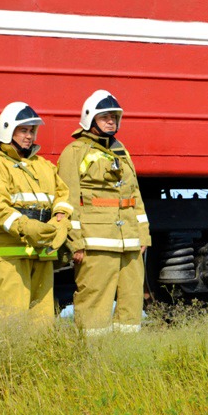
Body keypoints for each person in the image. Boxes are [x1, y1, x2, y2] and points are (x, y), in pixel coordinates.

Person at [58, 90, 150, 335]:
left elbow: (135, 196)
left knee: (131, 304)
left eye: (114, 117)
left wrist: (143, 235)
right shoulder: (74, 152)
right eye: (104, 117)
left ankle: (124, 353)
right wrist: (75, 243)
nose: (110, 121)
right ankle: (93, 354)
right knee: (94, 304)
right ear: (90, 119)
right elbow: (67, 201)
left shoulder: (122, 151)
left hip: (130, 243)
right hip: (95, 243)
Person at [0, 102, 73, 321]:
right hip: (10, 252)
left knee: (42, 318)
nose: (29, 136)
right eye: (23, 130)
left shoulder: (44, 166)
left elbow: (63, 195)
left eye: (31, 131)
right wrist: (26, 227)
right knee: (9, 317)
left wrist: (60, 219)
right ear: (7, 130)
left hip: (42, 250)